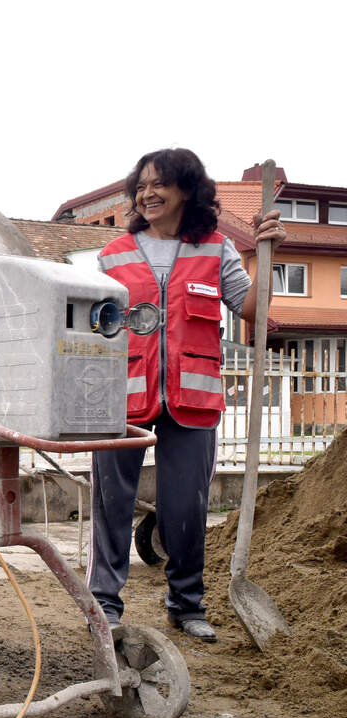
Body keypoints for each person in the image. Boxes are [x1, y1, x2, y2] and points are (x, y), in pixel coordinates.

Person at [86, 148, 286, 643]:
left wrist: (267, 256)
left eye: (160, 184)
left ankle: (186, 604)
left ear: (187, 191)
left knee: (186, 508)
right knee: (112, 504)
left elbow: (252, 311)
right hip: (122, 398)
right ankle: (104, 606)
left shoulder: (215, 249)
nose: (147, 194)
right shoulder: (111, 256)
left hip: (192, 403)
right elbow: (89, 328)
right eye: (142, 185)